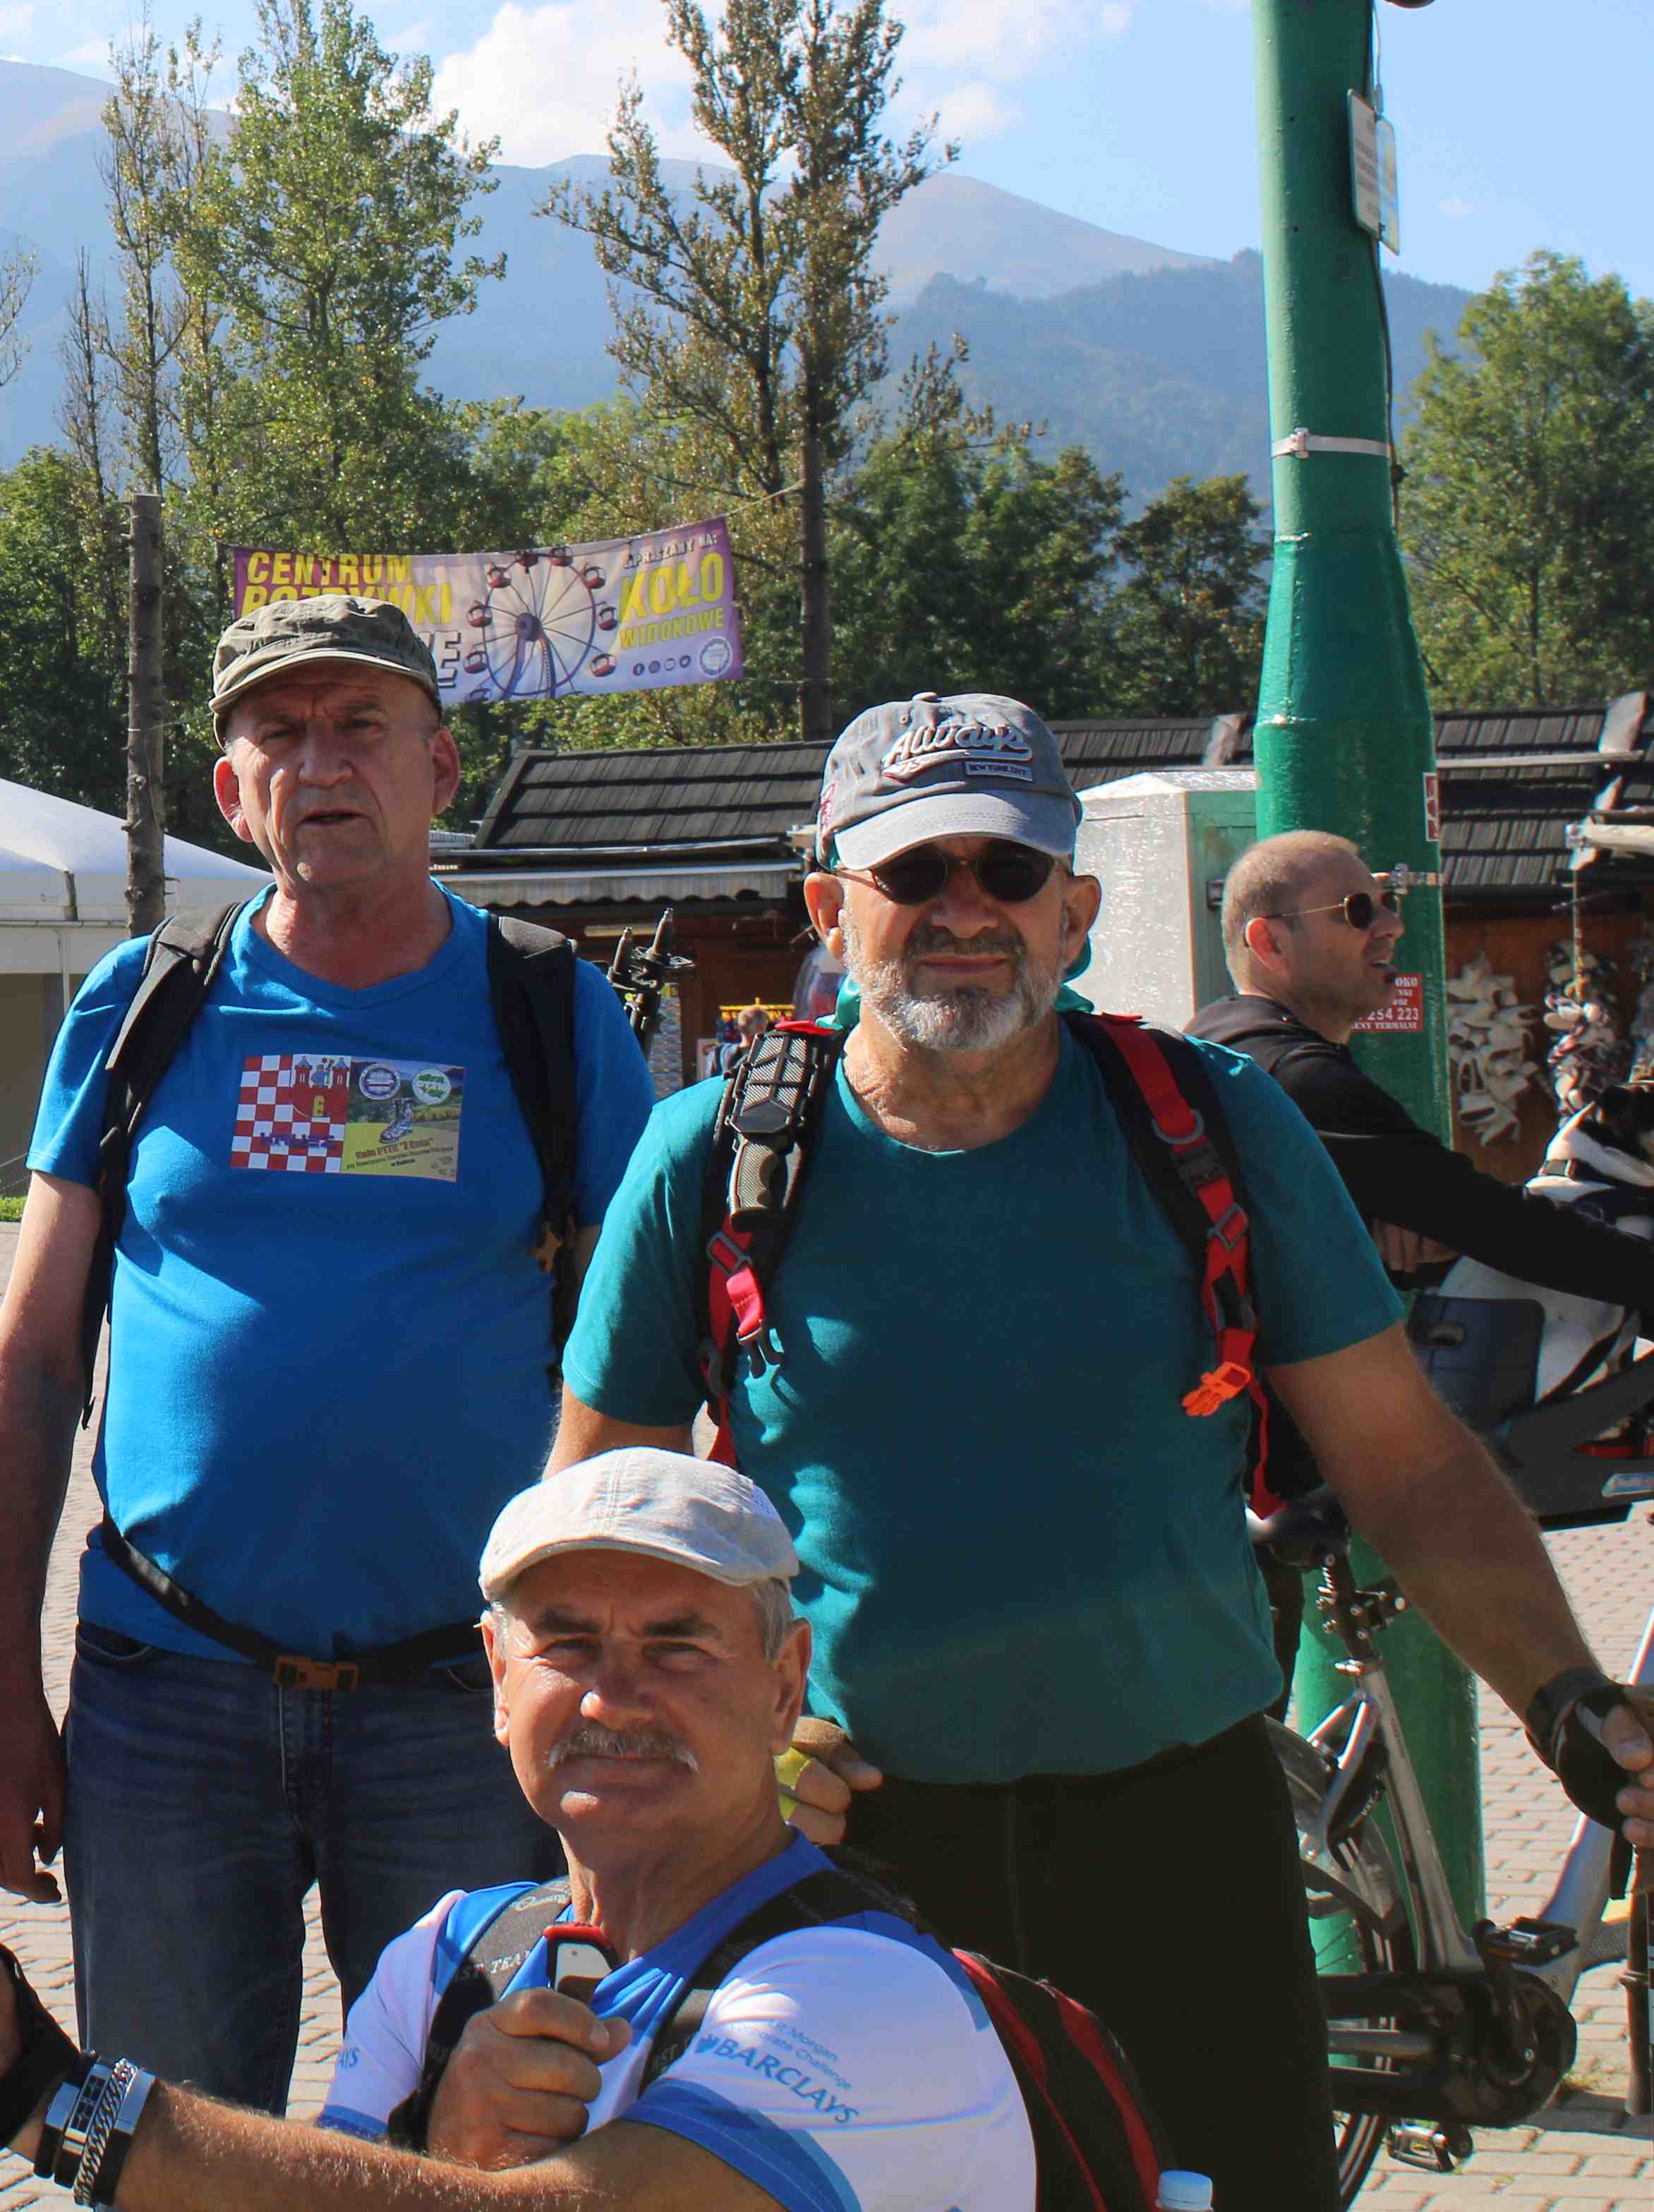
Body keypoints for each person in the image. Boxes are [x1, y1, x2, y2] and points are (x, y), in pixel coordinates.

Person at [555, 693, 1654, 2212]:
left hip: (1185, 1843)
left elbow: (1409, 1466)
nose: (964, 911)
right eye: (913, 871)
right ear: (830, 910)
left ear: (1072, 913)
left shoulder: (1211, 1122)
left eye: (1008, 872)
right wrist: (703, 1769)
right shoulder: (720, 1155)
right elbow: (599, 1533)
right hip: (846, 1852)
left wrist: (1567, 1698)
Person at [0, 591, 657, 2110]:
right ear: (232, 791)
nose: (320, 761)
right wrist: (0, 1696)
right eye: (278, 733)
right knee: (166, 2152)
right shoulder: (144, 1004)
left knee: (470, 2147)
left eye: (360, 725)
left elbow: (642, 1366)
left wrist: (622, 1678)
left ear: (439, 766)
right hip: (166, 1696)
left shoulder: (551, 1010)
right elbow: (29, 1367)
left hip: (463, 1704)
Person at [0, 1450, 1034, 2212]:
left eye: (679, 1645)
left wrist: (45, 2094)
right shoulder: (454, 1953)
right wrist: (443, 2147)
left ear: (783, 1686)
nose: (615, 1699)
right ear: (498, 1683)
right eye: (568, 1644)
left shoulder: (861, 1988)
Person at [1191, 828, 1654, 1329]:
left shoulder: (1216, 1036)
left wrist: (1384, 1226)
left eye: (1388, 904)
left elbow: (1446, 1214)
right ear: (1270, 943)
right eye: (1357, 911)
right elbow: (1495, 1223)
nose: (1393, 926)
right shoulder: (1297, 1077)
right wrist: (1443, 1223)